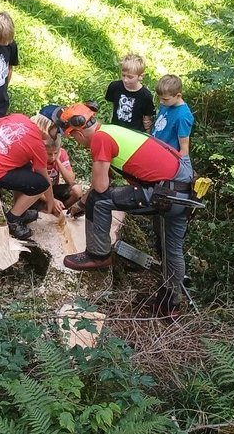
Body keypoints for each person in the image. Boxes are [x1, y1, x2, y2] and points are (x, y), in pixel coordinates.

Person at [53, 103, 194, 316]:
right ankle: (169, 304)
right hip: (181, 188)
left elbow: (100, 189)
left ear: (79, 132)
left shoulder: (99, 139)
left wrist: (86, 202)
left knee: (99, 201)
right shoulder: (110, 130)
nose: (77, 142)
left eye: (74, 137)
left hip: (166, 192)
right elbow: (104, 179)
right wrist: (80, 204)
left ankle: (97, 255)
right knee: (171, 248)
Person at [0, 113, 63, 240]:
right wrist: (50, 202)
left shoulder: (19, 118)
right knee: (40, 184)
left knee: (26, 167)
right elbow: (44, 179)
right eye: (56, 131)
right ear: (49, 127)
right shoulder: (37, 145)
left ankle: (21, 210)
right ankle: (13, 219)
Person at [104, 53, 155, 133]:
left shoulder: (145, 95)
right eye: (123, 75)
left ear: (141, 76)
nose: (125, 80)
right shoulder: (114, 86)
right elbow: (113, 106)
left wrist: (147, 132)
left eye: (130, 77)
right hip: (116, 129)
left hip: (135, 133)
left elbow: (147, 117)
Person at [151, 74, 193, 156]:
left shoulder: (183, 116)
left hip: (167, 156)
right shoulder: (167, 104)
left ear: (178, 96)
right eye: (160, 98)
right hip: (154, 149)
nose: (161, 102)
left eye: (165, 99)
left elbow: (184, 149)